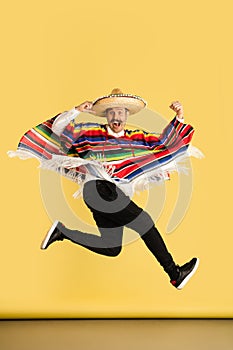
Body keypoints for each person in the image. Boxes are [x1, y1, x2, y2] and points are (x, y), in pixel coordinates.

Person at [9, 88, 201, 289]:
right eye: (112, 112)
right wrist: (76, 110)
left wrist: (179, 118)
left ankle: (62, 232)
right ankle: (174, 273)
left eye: (121, 112)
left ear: (127, 115)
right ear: (106, 116)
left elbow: (164, 144)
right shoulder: (90, 133)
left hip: (113, 194)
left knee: (111, 247)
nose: (116, 117)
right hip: (96, 189)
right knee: (144, 222)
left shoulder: (136, 138)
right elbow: (59, 129)